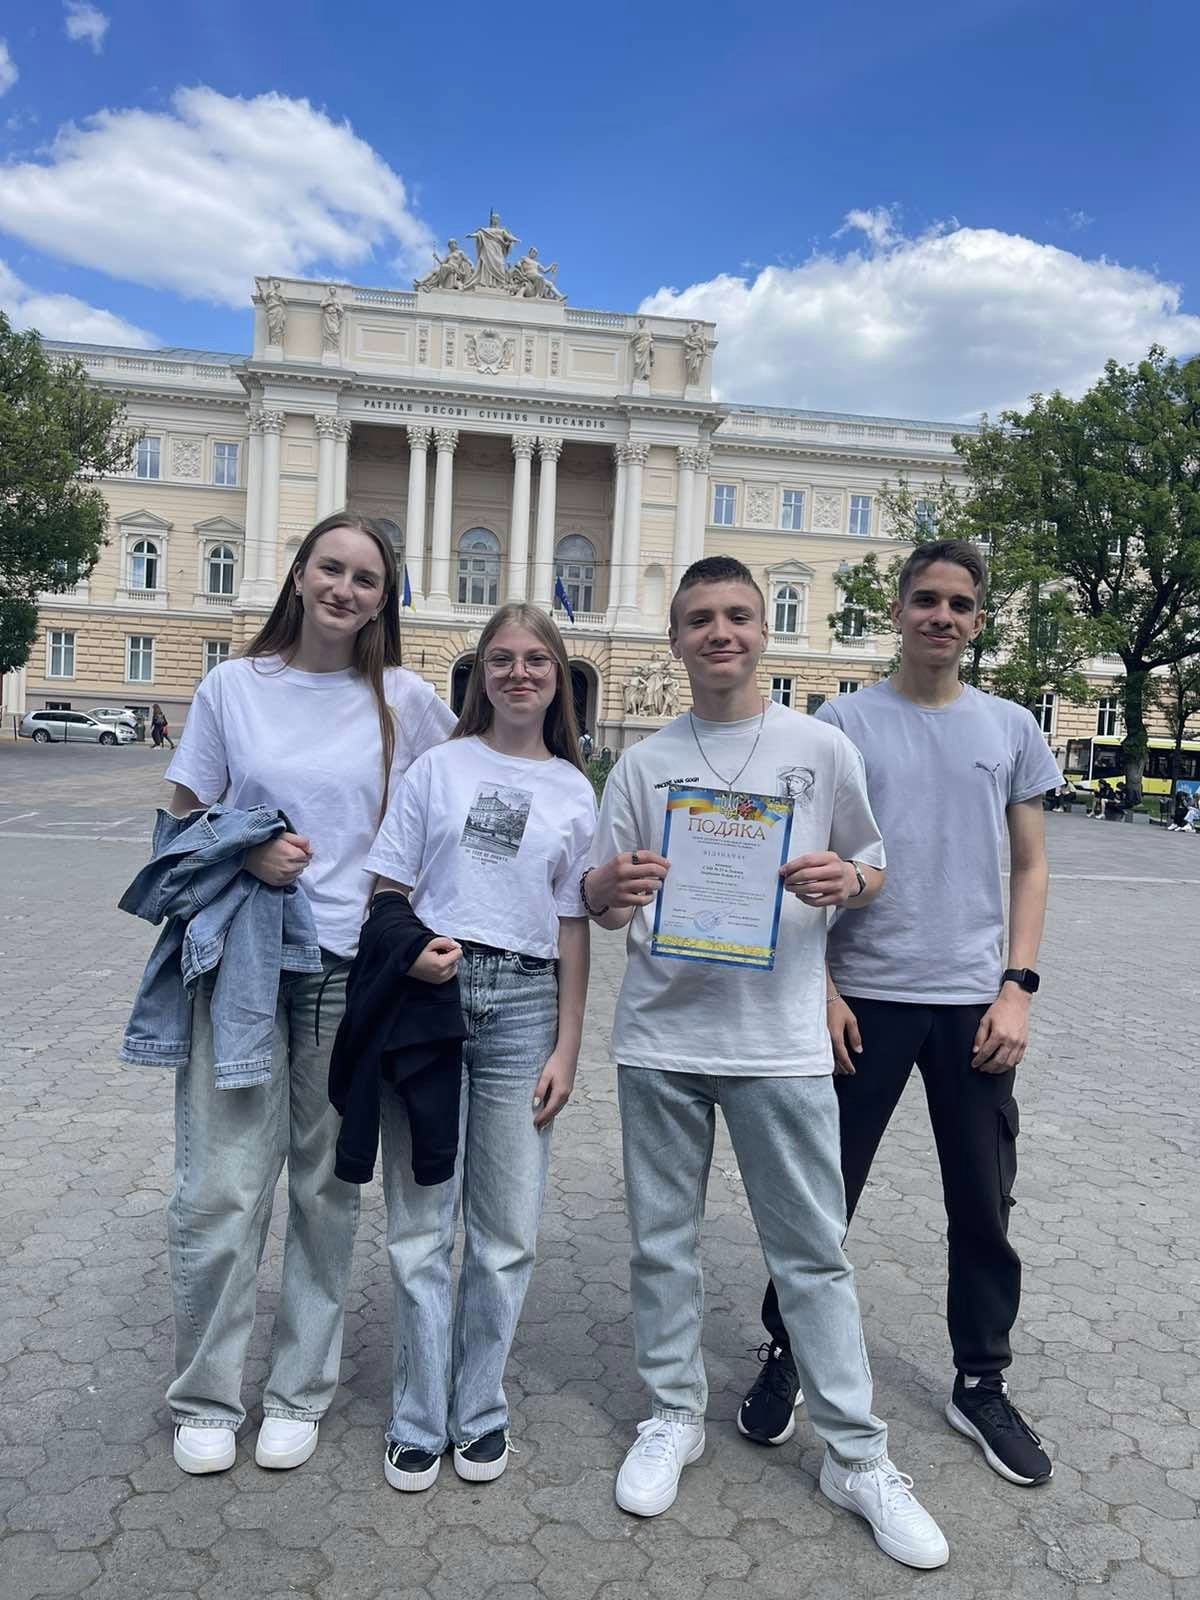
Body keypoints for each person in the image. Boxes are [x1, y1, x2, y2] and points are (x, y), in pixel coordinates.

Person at [584, 556, 950, 1570]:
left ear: (763, 630)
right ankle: (673, 1413)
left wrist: (848, 881)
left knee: (812, 1254)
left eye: (739, 615)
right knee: (662, 1244)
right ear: (675, 638)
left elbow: (872, 864)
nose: (722, 632)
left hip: (779, 1042)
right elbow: (598, 899)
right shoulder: (645, 764)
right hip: (661, 1038)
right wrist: (609, 888)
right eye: (701, 618)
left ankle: (857, 1455)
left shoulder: (819, 748)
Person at [743, 539, 1059, 1489]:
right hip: (862, 996)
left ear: (977, 620)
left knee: (982, 1201)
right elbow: (805, 858)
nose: (942, 617)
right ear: (898, 610)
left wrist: (1018, 986)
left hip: (973, 1003)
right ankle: (789, 1351)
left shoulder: (1010, 727)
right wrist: (822, 987)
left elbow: (1032, 865)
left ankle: (980, 1380)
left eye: (960, 604)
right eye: (927, 599)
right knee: (823, 1195)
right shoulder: (844, 721)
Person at [156, 511, 454, 1476]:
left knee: (325, 1189)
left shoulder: (405, 700)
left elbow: (461, 802)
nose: (345, 589)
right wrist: (246, 851)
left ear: (384, 600)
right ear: (296, 575)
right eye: (331, 568)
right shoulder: (232, 687)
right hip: (242, 964)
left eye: (367, 579)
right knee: (221, 1187)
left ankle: (298, 1389)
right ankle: (206, 1396)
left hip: (346, 972)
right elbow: (179, 831)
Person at [365, 603, 596, 1494]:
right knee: (421, 1228)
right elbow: (387, 886)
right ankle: (418, 1418)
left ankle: (480, 1408)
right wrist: (410, 954)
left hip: (525, 1006)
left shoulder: (574, 789)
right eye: (501, 659)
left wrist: (568, 1045)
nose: (518, 673)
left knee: (505, 1233)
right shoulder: (438, 767)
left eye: (536, 659)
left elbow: (573, 924)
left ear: (558, 676)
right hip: (432, 995)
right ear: (479, 675)